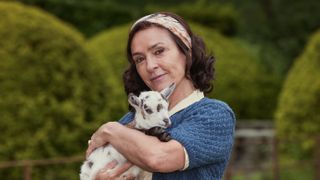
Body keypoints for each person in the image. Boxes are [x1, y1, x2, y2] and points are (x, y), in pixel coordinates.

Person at [86, 12, 236, 180]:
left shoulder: (214, 115)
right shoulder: (129, 120)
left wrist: (110, 130)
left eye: (159, 51)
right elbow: (95, 164)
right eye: (140, 59)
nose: (150, 66)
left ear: (187, 51)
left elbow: (158, 157)